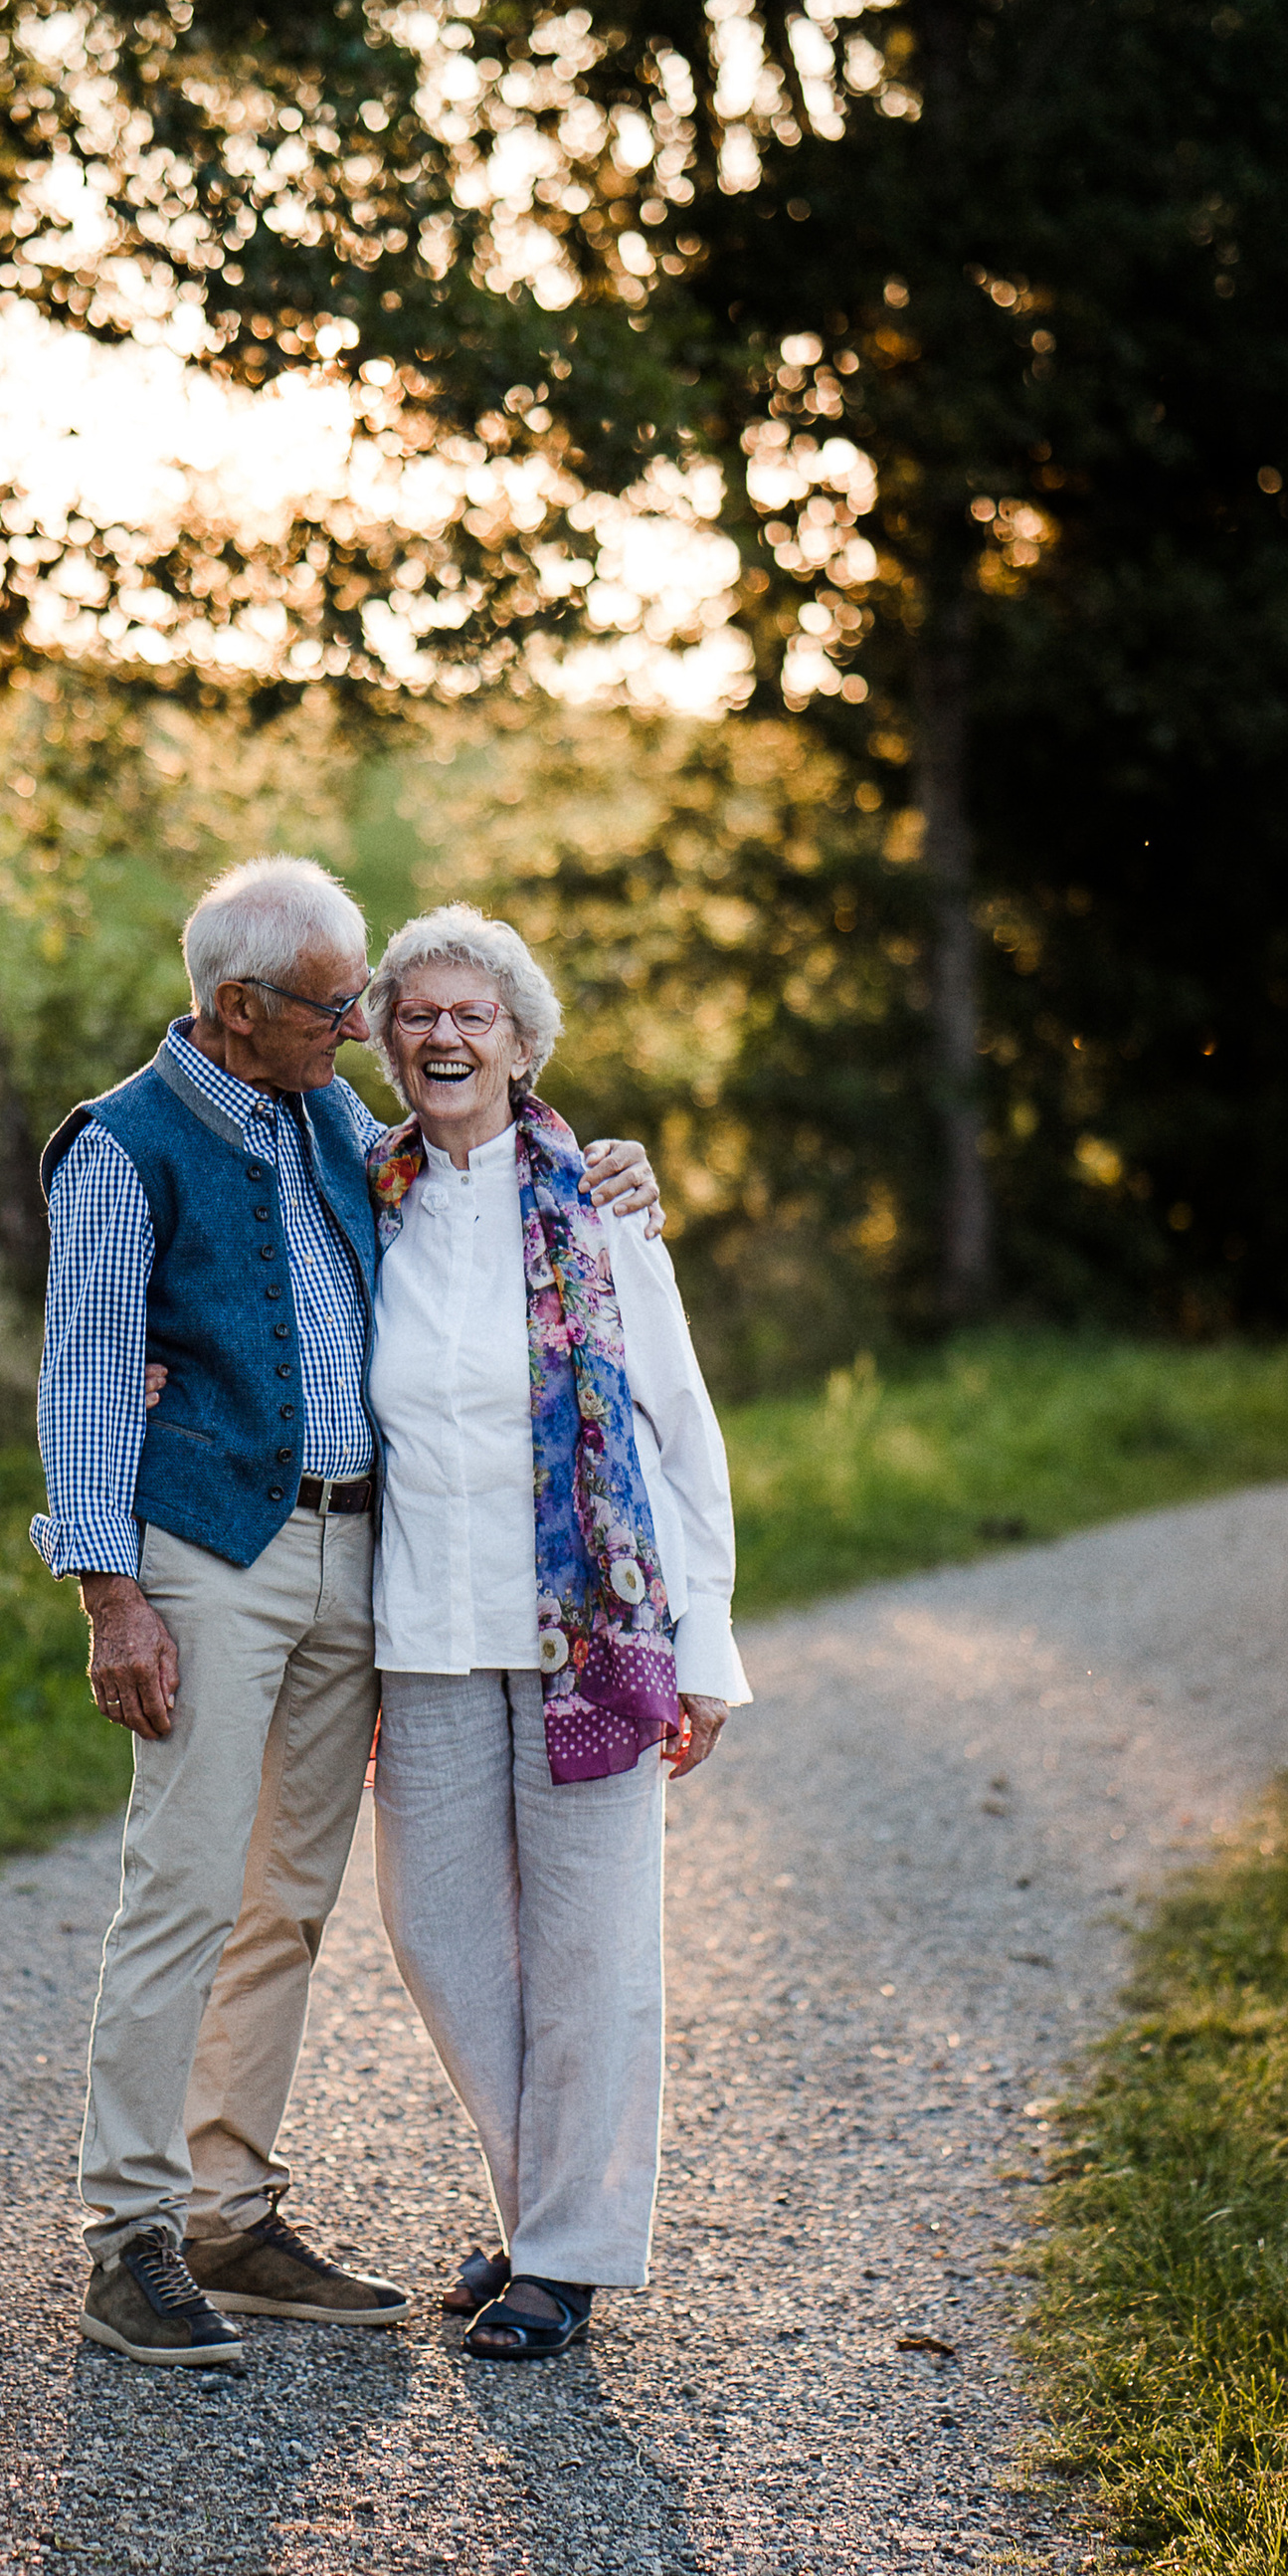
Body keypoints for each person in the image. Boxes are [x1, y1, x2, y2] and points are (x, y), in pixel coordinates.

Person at [32, 855, 663, 2369]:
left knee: (287, 1898)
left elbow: (481, 1170)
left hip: (357, 1555)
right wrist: (110, 1593)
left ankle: (227, 2213)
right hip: (211, 1554)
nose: (362, 1030)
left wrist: (608, 1166)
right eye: (338, 1007)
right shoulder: (121, 1147)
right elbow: (85, 1376)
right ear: (238, 1006)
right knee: (185, 1884)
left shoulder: (330, 1120)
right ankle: (131, 2235)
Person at [361, 905, 749, 2364]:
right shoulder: (366, 1198)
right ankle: (544, 2217)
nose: (444, 1037)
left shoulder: (601, 1204)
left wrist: (705, 1644)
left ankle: (564, 2257)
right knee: (441, 1936)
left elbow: (678, 1426)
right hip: (425, 1629)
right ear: (388, 1044)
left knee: (590, 1950)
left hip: (591, 1636)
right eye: (417, 1015)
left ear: (522, 1043)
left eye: (473, 1014)